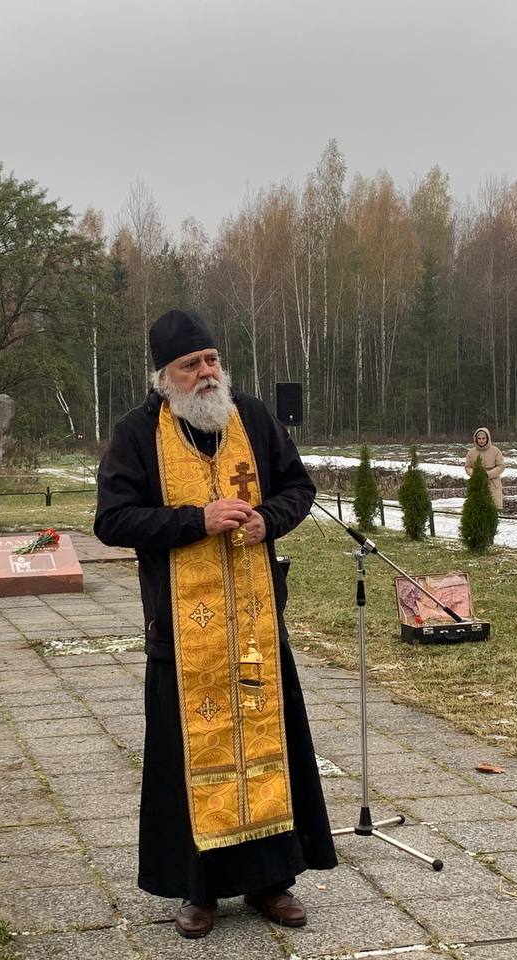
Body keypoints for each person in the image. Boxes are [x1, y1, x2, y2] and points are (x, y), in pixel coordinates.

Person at [95, 309, 337, 940]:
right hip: (181, 630)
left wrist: (268, 520)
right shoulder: (136, 433)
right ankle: (196, 890)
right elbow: (113, 521)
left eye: (210, 361)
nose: (205, 374)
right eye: (189, 365)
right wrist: (193, 520)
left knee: (268, 747)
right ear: (163, 377)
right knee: (187, 761)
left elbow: (297, 487)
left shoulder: (251, 418)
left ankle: (271, 881)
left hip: (254, 623)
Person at [463, 427, 506, 509]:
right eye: (479, 438)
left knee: (493, 508)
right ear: (476, 439)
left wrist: (488, 474)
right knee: (476, 509)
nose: (481, 440)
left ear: (487, 438)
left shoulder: (495, 451)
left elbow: (501, 466)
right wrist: (475, 474)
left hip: (493, 484)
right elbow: (467, 467)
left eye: (483, 438)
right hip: (476, 483)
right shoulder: (471, 452)